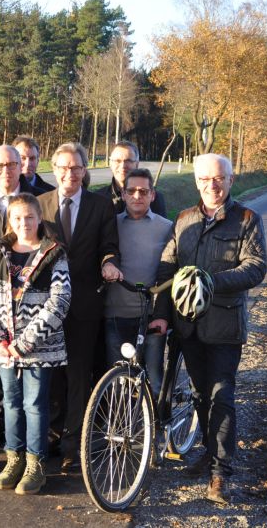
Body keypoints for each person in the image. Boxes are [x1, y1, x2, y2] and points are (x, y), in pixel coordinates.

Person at [153, 153, 267, 504]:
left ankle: (220, 473)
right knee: (201, 396)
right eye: (205, 179)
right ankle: (208, 451)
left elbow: (256, 267)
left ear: (231, 180)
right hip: (188, 329)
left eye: (219, 178)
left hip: (223, 327)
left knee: (222, 397)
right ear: (196, 182)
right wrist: (161, 312)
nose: (212, 185)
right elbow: (166, 267)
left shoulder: (247, 219)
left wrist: (209, 281)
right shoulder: (184, 219)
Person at [37, 143, 121, 471]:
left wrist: (110, 263)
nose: (69, 174)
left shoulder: (101, 207)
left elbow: (109, 246)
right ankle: (52, 436)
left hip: (85, 303)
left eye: (76, 168)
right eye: (63, 167)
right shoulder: (39, 204)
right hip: (45, 306)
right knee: (51, 375)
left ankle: (74, 443)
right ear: (54, 169)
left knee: (78, 375)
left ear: (85, 171)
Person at [0, 193, 70, 495]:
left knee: (34, 405)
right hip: (4, 348)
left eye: (29, 217)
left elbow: (59, 301)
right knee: (10, 403)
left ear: (39, 219)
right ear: (10, 221)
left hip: (37, 349)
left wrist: (26, 342)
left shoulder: (53, 254)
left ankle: (36, 464)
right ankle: (14, 458)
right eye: (17, 218)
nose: (24, 223)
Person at [0, 144, 44, 446]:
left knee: (32, 394)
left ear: (22, 166)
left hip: (30, 303)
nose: (5, 170)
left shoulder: (40, 197)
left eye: (11, 164)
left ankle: (33, 448)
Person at [104, 168, 173, 393]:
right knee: (117, 379)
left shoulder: (166, 227)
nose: (137, 196)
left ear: (153, 195)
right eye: (131, 191)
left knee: (153, 377)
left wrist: (162, 313)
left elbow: (170, 273)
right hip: (115, 315)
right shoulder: (110, 224)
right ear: (122, 194)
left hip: (149, 316)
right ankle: (123, 424)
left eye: (143, 191)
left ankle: (156, 425)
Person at [94, 141, 167, 218]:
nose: (123, 166)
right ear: (110, 164)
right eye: (117, 161)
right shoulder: (98, 198)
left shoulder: (154, 199)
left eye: (128, 161)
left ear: (137, 164)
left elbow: (160, 227)